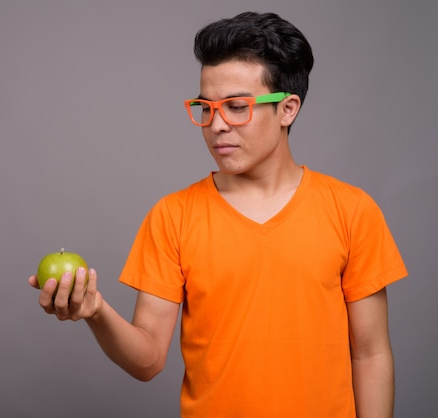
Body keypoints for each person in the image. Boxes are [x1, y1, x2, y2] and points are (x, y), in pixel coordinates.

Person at [28, 11, 407, 417]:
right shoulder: (173, 216)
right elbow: (148, 360)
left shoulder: (352, 210)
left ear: (288, 109)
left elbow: (370, 354)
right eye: (206, 108)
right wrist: (96, 312)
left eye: (237, 106)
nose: (217, 125)